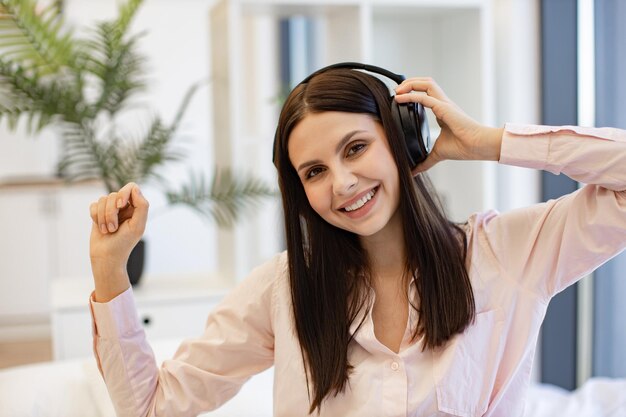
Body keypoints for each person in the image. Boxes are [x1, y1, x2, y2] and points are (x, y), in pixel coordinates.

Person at [88, 64, 626, 417]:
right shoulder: (282, 289)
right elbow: (150, 406)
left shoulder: (503, 254)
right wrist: (110, 272)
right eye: (315, 171)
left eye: (355, 148)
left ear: (401, 140)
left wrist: (488, 141)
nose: (342, 183)